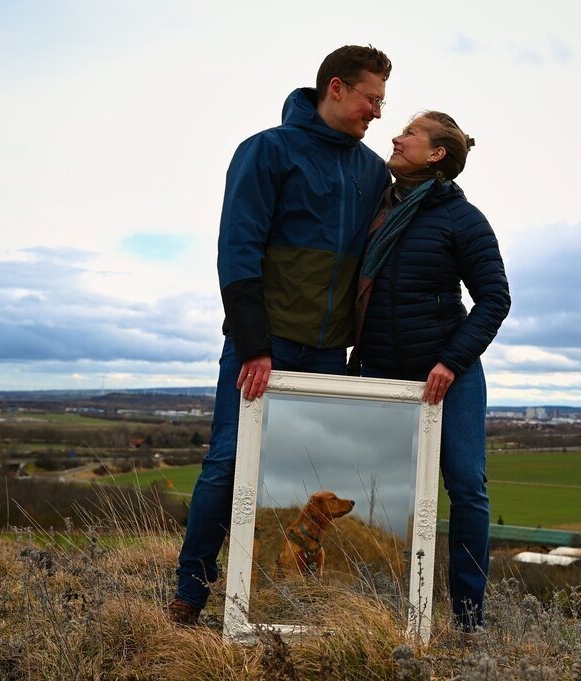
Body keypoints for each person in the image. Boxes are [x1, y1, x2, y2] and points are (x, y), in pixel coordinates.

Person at [168, 45, 393, 625]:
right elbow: (237, 249)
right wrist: (254, 345)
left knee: (308, 473)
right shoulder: (266, 150)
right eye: (372, 99)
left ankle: (285, 600)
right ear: (336, 88)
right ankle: (190, 592)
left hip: (327, 353)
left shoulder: (373, 171)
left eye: (382, 104)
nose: (377, 113)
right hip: (265, 345)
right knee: (228, 462)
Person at [352, 111, 511, 631]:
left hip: (449, 374)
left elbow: (494, 300)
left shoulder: (463, 219)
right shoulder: (371, 207)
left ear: (437, 153)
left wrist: (450, 361)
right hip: (379, 371)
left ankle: (469, 621)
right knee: (376, 491)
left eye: (410, 133)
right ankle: (375, 608)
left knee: (466, 486)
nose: (396, 137)